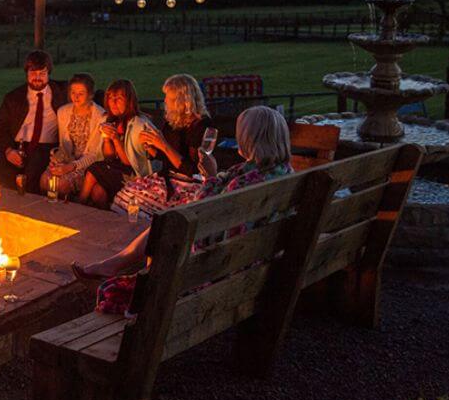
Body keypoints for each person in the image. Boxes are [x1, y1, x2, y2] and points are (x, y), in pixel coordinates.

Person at [72, 106, 295, 314]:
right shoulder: (284, 173)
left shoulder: (243, 183)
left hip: (228, 264)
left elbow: (203, 205)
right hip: (262, 255)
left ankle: (123, 268)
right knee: (168, 223)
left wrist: (208, 176)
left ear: (248, 139)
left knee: (169, 227)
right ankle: (120, 264)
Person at [0, 50, 68, 194]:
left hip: (45, 147)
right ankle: (9, 201)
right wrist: (8, 150)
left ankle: (30, 203)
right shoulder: (14, 98)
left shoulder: (62, 92)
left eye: (42, 73)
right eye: (33, 73)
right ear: (26, 73)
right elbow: (0, 128)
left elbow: (86, 91)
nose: (37, 78)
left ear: (49, 73)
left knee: (34, 169)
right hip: (18, 145)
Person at [78, 80, 157, 208]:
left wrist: (115, 138)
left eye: (119, 98)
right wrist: (107, 138)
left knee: (95, 169)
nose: (113, 102)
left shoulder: (138, 125)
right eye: (110, 98)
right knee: (98, 191)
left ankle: (78, 205)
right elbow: (109, 157)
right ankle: (103, 222)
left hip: (133, 176)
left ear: (129, 100)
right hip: (113, 170)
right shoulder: (108, 119)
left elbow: (128, 163)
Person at [39, 73, 106, 196]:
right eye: (73, 92)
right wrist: (57, 158)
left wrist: (70, 167)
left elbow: (94, 154)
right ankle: (49, 210)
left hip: (87, 165)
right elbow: (63, 146)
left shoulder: (100, 116)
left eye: (81, 93)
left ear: (90, 94)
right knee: (44, 180)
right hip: (68, 160)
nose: (76, 97)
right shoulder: (63, 112)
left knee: (61, 185)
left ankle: (66, 211)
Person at [140, 74, 212, 179]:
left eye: (169, 98)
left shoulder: (201, 126)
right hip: (168, 177)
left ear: (183, 102)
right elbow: (165, 157)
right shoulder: (173, 122)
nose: (165, 101)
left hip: (186, 182)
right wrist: (150, 145)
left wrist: (163, 144)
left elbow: (193, 171)